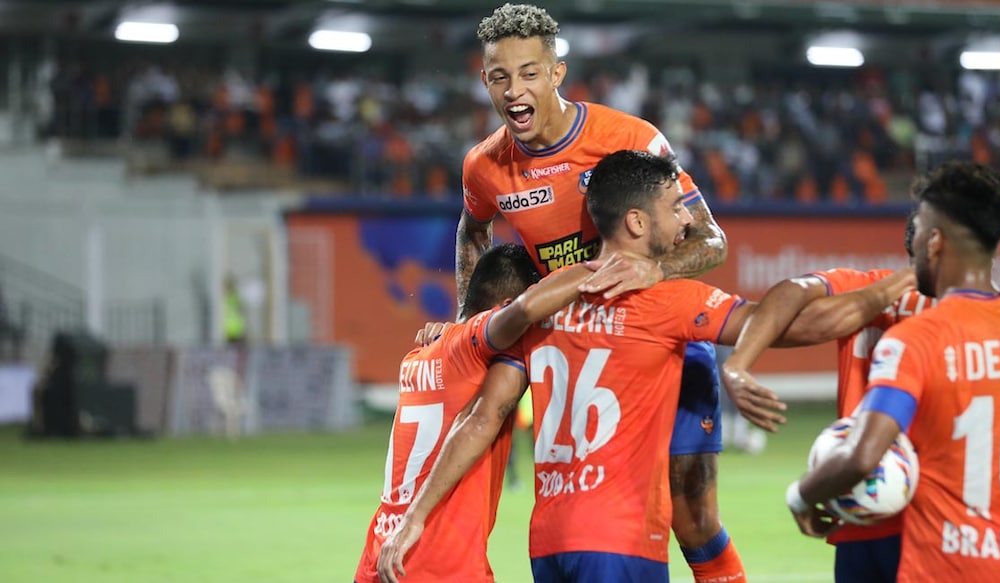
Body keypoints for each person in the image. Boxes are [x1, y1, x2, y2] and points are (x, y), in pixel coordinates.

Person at [380, 149, 915, 583]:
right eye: (676, 206)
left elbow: (482, 416)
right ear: (637, 221)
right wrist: (887, 290)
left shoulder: (546, 304)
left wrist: (415, 517)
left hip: (548, 546)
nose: (687, 218)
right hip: (623, 539)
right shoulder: (669, 301)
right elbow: (795, 326)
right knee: (699, 517)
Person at [457, 5, 743, 578]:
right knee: (585, 523)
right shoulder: (485, 167)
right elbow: (473, 230)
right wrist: (468, 326)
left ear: (557, 73)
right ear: (485, 79)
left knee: (691, 515)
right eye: (499, 77)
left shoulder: (628, 139)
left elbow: (712, 241)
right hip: (578, 362)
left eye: (530, 73)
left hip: (661, 349)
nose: (515, 90)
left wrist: (654, 272)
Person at [724, 205, 1000, 583]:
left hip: (868, 503)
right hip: (923, 518)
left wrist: (740, 363)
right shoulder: (985, 314)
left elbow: (792, 293)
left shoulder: (872, 291)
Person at [353, 243, 594, 583]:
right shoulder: (471, 342)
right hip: (437, 562)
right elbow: (523, 312)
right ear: (502, 309)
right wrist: (605, 263)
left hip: (379, 556)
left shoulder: (418, 356)